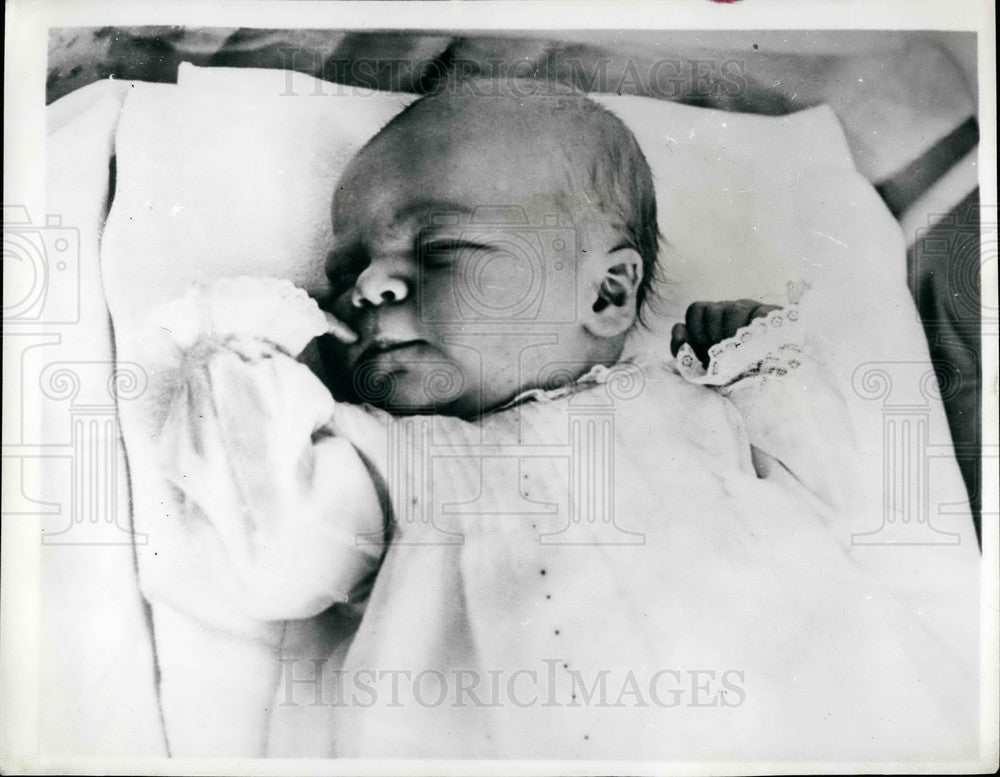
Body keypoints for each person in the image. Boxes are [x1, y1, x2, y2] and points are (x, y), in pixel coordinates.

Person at [146, 77, 979, 759]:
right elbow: (276, 553)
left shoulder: (695, 398)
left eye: (438, 250)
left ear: (607, 292)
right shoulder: (388, 455)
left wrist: (765, 368)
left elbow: (843, 497)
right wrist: (258, 352)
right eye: (345, 273)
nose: (366, 289)